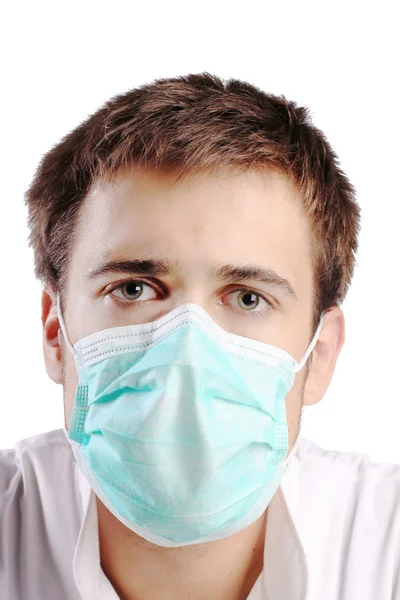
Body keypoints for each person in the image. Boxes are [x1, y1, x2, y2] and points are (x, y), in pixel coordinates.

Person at [1, 72, 398, 600]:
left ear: (319, 355)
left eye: (247, 298)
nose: (187, 350)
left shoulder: (386, 545)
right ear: (56, 334)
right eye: (136, 288)